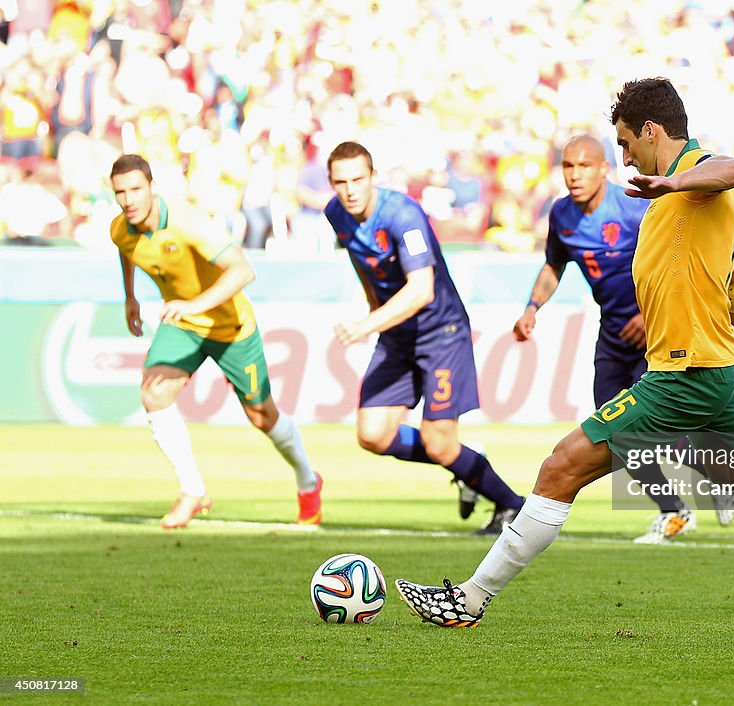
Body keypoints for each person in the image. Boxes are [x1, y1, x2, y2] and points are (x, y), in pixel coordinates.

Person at [394, 78, 734, 628]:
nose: (625, 157)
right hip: (714, 364)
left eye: (628, 144)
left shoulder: (695, 180)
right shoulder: (673, 199)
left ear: (652, 132)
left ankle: (468, 599)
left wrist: (674, 182)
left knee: (561, 466)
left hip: (684, 372)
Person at [511, 134, 734, 541]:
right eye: (568, 166)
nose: (575, 175)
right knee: (615, 432)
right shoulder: (561, 215)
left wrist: (645, 314)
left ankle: (719, 473)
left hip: (659, 336)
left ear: (603, 169)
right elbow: (553, 266)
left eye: (584, 166)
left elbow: (673, 259)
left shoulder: (636, 204)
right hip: (613, 335)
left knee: (654, 429)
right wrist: (532, 308)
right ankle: (676, 509)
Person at [108, 154, 322, 529]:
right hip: (183, 325)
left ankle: (308, 479)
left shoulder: (189, 222)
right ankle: (192, 490)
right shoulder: (121, 230)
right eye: (120, 192)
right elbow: (127, 252)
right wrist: (130, 296)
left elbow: (243, 270)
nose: (129, 200)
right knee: (154, 396)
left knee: (261, 416)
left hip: (230, 326)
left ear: (152, 187)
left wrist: (194, 304)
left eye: (136, 190)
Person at [322, 141, 524, 535]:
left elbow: (422, 290)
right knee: (373, 434)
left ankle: (511, 506)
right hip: (398, 335)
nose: (349, 190)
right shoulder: (337, 213)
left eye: (358, 179)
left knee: (438, 442)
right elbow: (360, 262)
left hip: (440, 334)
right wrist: (373, 307)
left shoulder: (402, 215)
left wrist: (367, 324)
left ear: (373, 177)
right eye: (340, 181)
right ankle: (464, 461)